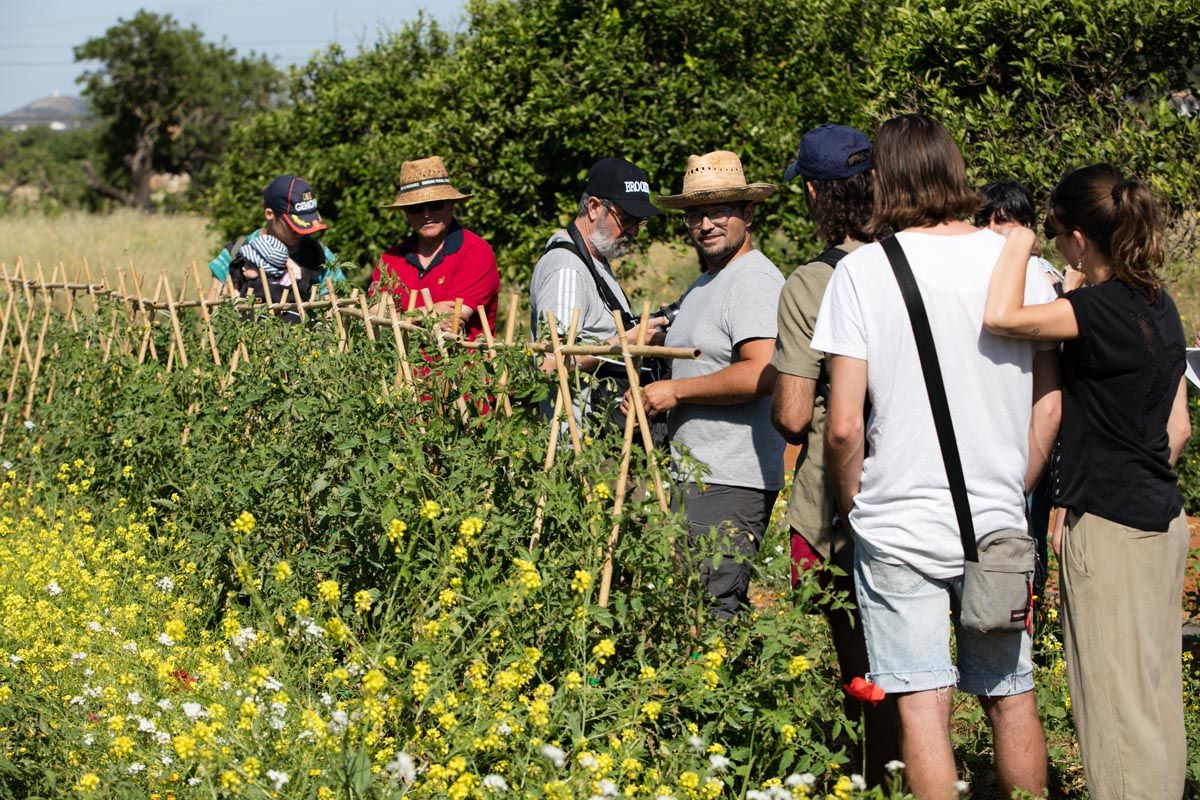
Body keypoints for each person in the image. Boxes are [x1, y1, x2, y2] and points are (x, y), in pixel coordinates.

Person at [812, 114, 1058, 799]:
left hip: (897, 523)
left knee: (923, 705)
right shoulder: (1024, 267)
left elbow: (842, 426)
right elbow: (1050, 405)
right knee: (1012, 694)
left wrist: (857, 500)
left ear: (883, 179)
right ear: (956, 171)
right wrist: (1015, 485)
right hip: (999, 520)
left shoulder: (863, 273)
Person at [983, 163, 1190, 800]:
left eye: (1052, 232)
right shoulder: (1161, 303)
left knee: (1112, 714)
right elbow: (1178, 428)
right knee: (1153, 702)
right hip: (1163, 517)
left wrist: (1015, 240)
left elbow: (1000, 316)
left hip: (1109, 524)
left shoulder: (1091, 311)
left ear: (1076, 237)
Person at [770, 124, 899, 784]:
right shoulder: (911, 263)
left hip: (839, 504)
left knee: (858, 663)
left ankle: (872, 777)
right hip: (916, 489)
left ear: (816, 194)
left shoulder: (810, 284)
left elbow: (794, 417)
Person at [627, 150, 785, 620]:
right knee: (692, 610)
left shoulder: (754, 280)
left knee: (714, 611)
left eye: (719, 210)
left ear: (748, 213)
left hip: (730, 475)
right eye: (696, 213)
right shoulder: (705, 283)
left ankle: (733, 692)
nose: (706, 224)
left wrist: (675, 393)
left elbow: (762, 371)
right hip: (699, 473)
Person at [976, 179, 1067, 602]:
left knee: (1028, 527)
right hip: (997, 434)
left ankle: (1028, 611)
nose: (994, 232)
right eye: (986, 222)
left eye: (1005, 222)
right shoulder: (981, 276)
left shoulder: (1042, 278)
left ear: (1028, 227)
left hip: (1032, 435)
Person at [529, 157, 666, 420]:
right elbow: (549, 363)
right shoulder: (567, 269)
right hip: (578, 442)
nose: (634, 232)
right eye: (627, 220)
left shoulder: (594, 257)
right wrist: (628, 341)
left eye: (640, 222)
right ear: (593, 208)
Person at [370, 156, 500, 341]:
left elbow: (453, 319)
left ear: (451, 204)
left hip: (463, 368)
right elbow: (373, 315)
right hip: (401, 368)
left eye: (435, 204)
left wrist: (398, 318)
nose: (426, 214)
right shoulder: (391, 259)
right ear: (405, 211)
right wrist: (430, 313)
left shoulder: (476, 252)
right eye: (416, 207)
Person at [206, 175, 343, 309]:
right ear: (269, 214)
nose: (300, 232)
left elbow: (340, 307)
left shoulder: (321, 256)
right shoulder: (235, 253)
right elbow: (209, 315)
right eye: (292, 225)